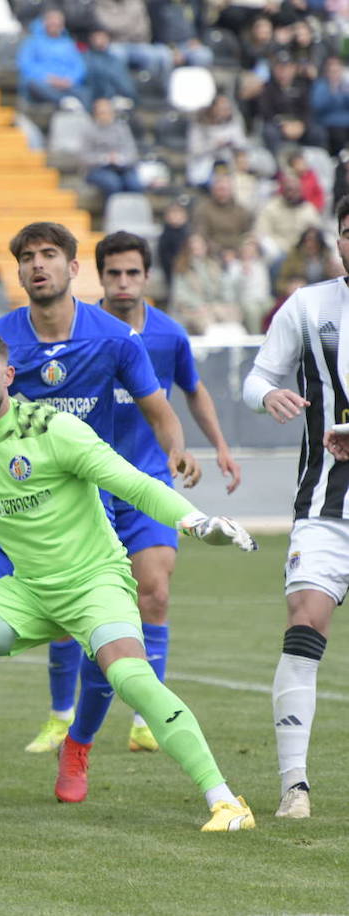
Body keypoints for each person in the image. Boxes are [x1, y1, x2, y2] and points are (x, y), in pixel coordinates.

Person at [0, 327, 257, 833]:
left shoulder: (55, 430)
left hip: (95, 583)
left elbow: (132, 482)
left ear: (8, 374)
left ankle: (226, 801)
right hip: (29, 591)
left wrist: (195, 521)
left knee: (131, 677)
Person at [0, 222, 197, 803]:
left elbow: (159, 410)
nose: (37, 266)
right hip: (4, 506)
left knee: (106, 633)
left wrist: (175, 447)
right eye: (26, 257)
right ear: (18, 270)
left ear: (75, 268)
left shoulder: (115, 338)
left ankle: (78, 746)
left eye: (49, 255)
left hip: (80, 511)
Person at [51, 232, 241, 796]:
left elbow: (192, 392)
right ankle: (69, 722)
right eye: (114, 274)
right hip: (85, 492)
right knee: (79, 618)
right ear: (100, 277)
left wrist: (216, 446)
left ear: (146, 278)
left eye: (134, 274)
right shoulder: (80, 334)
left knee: (154, 589)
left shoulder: (167, 333)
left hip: (146, 484)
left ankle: (145, 720)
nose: (124, 283)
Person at [242, 193, 349, 821]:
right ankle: (294, 786)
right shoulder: (308, 307)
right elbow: (255, 378)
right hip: (324, 505)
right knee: (304, 624)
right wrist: (270, 398)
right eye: (346, 230)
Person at [17, 8, 91, 109]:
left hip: (67, 85)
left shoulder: (68, 44)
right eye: (51, 23)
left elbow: (79, 66)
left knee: (87, 92)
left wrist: (70, 80)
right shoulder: (32, 42)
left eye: (57, 24)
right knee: (33, 85)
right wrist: (48, 78)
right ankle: (64, 102)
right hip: (43, 84)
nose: (54, 27)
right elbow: (26, 65)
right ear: (44, 23)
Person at [81, 97, 143, 201]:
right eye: (101, 113)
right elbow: (84, 157)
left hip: (122, 167)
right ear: (95, 114)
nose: (105, 116)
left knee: (134, 183)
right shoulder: (89, 131)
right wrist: (105, 158)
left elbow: (132, 152)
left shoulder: (122, 129)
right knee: (112, 183)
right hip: (98, 169)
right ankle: (114, 213)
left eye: (108, 112)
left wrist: (120, 159)